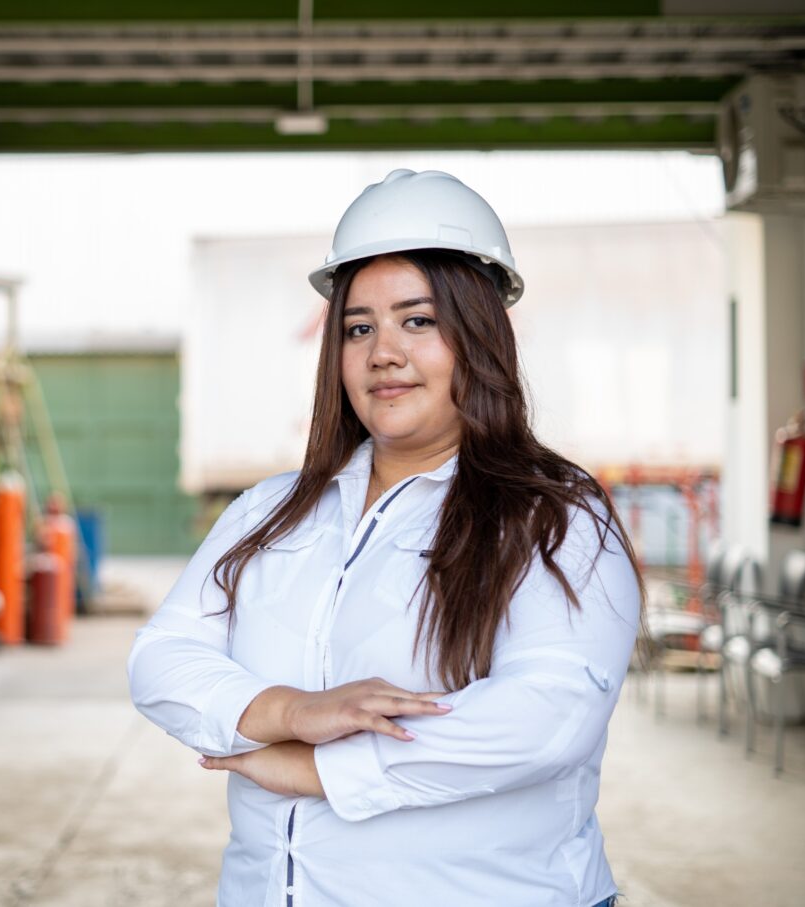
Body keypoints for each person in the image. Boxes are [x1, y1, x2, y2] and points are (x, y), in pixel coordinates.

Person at [127, 169, 642, 907]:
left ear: (481, 334)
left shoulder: (554, 516)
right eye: (359, 327)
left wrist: (316, 768)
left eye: (419, 321)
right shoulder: (270, 512)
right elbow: (162, 658)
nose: (383, 353)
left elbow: (547, 716)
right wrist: (286, 712)